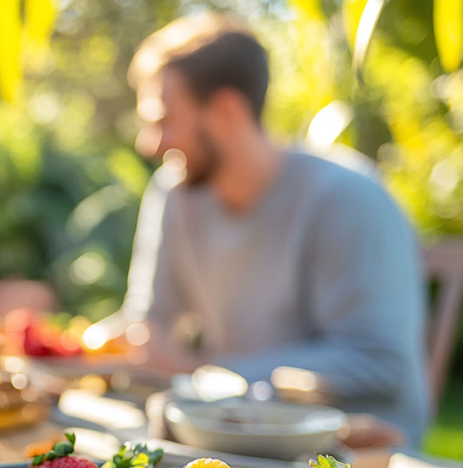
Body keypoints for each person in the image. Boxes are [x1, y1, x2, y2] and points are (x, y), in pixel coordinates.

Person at [101, 14, 428, 445]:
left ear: (226, 111)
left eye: (163, 121)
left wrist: (208, 374)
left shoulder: (349, 198)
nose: (150, 144)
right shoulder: (175, 191)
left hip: (356, 463)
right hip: (231, 436)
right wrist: (92, 347)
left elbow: (381, 362)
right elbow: (152, 324)